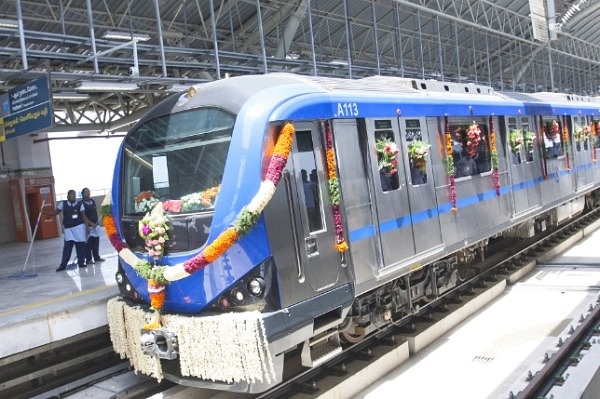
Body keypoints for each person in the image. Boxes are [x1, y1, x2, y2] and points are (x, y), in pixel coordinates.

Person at [44, 189, 93, 271]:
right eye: (72, 194)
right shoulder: (63, 204)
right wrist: (46, 213)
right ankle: (63, 265)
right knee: (67, 247)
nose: (74, 196)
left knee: (80, 246)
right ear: (68, 196)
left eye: (74, 194)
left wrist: (87, 227)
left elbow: (84, 216)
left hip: (79, 228)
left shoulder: (80, 204)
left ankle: (81, 262)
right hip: (68, 229)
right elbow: (55, 212)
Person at [81, 187, 105, 265]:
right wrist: (90, 224)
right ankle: (88, 259)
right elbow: (83, 216)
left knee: (96, 242)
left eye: (89, 191)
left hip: (95, 225)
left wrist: (96, 223)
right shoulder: (81, 203)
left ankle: (96, 257)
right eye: (86, 192)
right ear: (83, 194)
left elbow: (95, 211)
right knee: (88, 243)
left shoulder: (92, 201)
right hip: (88, 226)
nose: (88, 193)